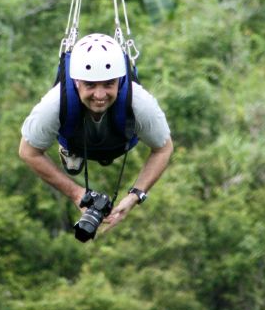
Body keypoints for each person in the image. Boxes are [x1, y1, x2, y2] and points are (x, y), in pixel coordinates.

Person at [19, 33, 173, 233]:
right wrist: (76, 193)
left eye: (109, 84)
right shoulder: (54, 104)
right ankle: (70, 150)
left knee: (114, 118)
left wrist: (135, 195)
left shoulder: (139, 102)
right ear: (76, 82)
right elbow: (27, 151)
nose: (100, 95)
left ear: (119, 80)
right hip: (75, 139)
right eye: (90, 85)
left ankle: (83, 148)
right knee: (73, 124)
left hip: (120, 141)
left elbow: (163, 148)